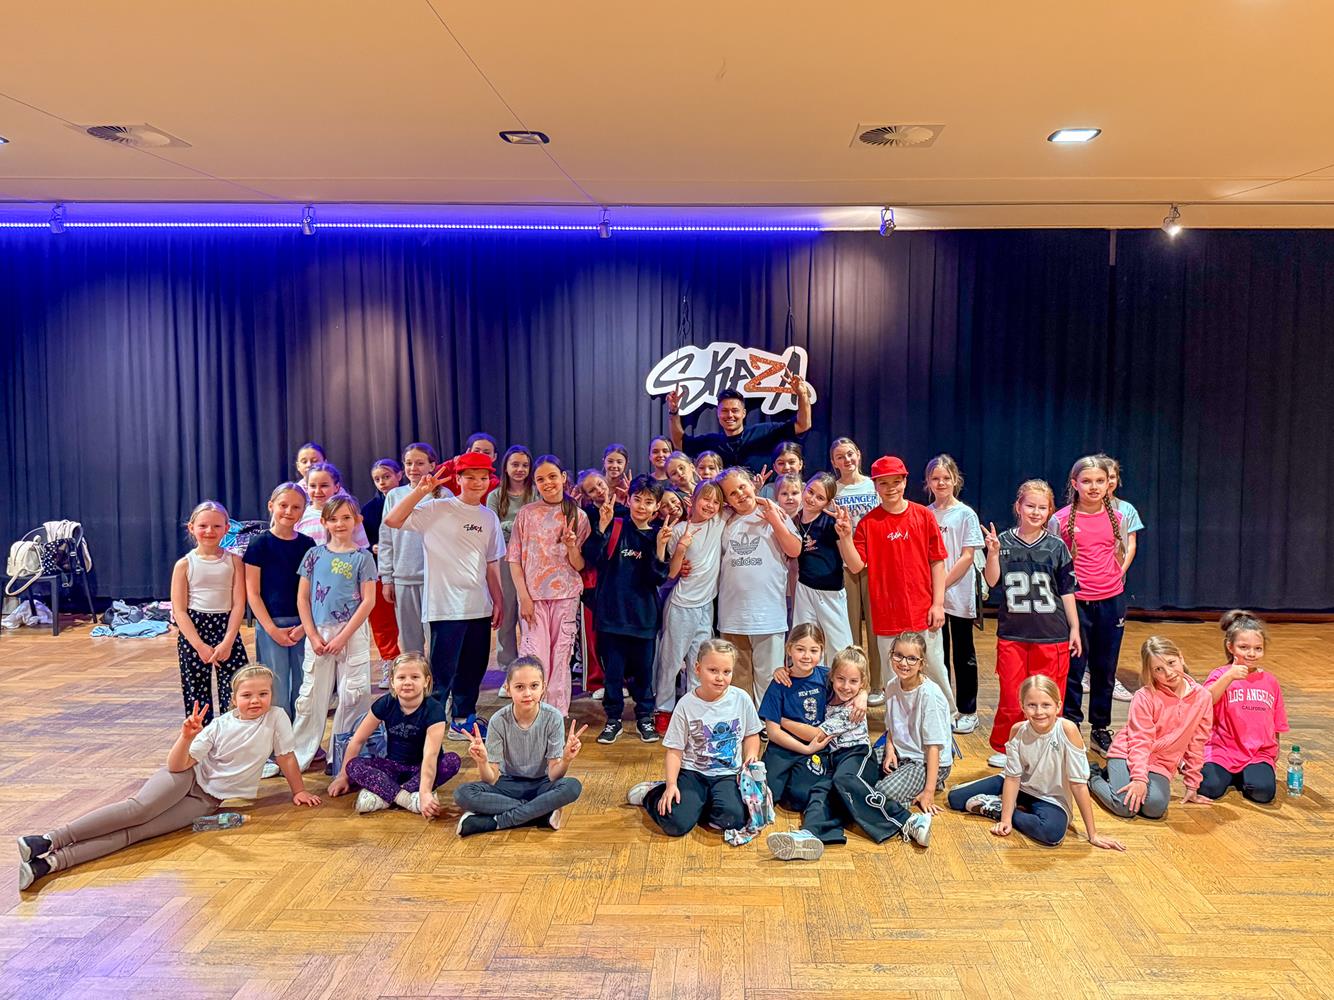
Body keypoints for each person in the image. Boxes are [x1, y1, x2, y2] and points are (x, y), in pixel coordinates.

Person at [17, 666, 319, 890]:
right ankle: (47, 840)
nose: (256, 701)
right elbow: (177, 766)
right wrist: (186, 737)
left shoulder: (276, 717)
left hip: (207, 801)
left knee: (137, 833)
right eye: (247, 695)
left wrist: (298, 791)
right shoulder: (219, 726)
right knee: (138, 810)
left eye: (263, 694)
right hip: (186, 777)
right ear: (234, 697)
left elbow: (286, 757)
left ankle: (49, 864)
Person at [383, 452, 505, 740]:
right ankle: (431, 727)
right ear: (458, 479)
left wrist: (498, 600)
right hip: (445, 607)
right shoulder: (437, 508)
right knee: (441, 673)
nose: (477, 483)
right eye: (470, 477)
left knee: (472, 670)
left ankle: (462, 720)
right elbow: (392, 519)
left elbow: (491, 563)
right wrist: (420, 491)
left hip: (479, 606)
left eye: (483, 477)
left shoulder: (488, 517)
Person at [767, 646, 930, 859]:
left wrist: (778, 718)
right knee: (820, 790)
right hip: (832, 759)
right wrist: (780, 670)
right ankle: (810, 834)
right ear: (832, 677)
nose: (845, 686)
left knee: (845, 779)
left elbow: (818, 734)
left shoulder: (854, 709)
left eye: (853, 682)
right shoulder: (827, 692)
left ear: (862, 683)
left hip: (857, 755)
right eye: (841, 679)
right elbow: (808, 672)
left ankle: (908, 820)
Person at [948, 676, 1125, 850]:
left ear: (1058, 706)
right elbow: (1012, 778)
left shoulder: (1067, 730)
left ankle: (997, 808)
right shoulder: (1018, 730)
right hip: (1017, 785)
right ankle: (1005, 807)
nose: (1039, 711)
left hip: (1050, 797)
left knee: (1052, 833)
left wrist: (1093, 834)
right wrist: (1006, 821)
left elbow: (1078, 784)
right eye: (1032, 705)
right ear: (1022, 706)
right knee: (955, 799)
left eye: (1046, 705)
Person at [981, 480, 1081, 768]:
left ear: (1050, 511)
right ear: (1018, 506)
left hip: (1051, 635)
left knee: (1047, 695)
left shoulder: (1056, 546)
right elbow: (991, 581)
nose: (1036, 512)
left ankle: (1047, 746)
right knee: (1011, 695)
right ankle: (1007, 746)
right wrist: (992, 553)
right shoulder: (1003, 541)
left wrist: (1074, 628)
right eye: (1030, 506)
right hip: (1012, 634)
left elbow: (1067, 591)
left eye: (1042, 507)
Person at [626, 639, 763, 838]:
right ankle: (653, 793)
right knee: (676, 824)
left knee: (733, 820)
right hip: (693, 773)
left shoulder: (741, 698)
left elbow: (751, 734)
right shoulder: (686, 705)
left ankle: (698, 805)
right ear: (698, 669)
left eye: (726, 672)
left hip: (727, 773)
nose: (720, 678)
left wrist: (751, 755)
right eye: (713, 670)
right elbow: (675, 750)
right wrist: (671, 785)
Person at [286, 495, 378, 774]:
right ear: (324, 522)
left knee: (353, 694)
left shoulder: (363, 558)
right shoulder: (313, 555)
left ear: (357, 521)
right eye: (334, 519)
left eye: (346, 518)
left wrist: (343, 638)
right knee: (311, 695)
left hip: (352, 633)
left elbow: (368, 601)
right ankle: (300, 755)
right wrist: (313, 636)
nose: (340, 524)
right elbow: (302, 598)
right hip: (319, 632)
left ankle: (342, 756)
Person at [852, 456, 952, 711]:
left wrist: (938, 604)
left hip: (922, 610)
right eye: (884, 483)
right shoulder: (868, 524)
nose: (891, 488)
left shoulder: (923, 516)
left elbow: (937, 561)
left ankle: (946, 716)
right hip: (887, 614)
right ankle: (898, 722)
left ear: (905, 481)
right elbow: (855, 565)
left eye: (896, 482)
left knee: (934, 667)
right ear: (875, 486)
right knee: (893, 674)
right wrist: (843, 537)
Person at [583, 476, 672, 744]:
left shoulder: (658, 534)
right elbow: (591, 558)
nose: (642, 506)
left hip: (644, 617)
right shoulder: (615, 525)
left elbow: (658, 578)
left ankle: (645, 717)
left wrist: (660, 548)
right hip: (611, 616)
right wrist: (602, 525)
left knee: (644, 673)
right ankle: (613, 719)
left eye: (649, 502)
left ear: (657, 506)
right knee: (613, 674)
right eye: (637, 499)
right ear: (629, 499)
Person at [454, 657, 586, 835]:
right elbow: (490, 779)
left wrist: (566, 760)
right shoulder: (498, 720)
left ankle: (498, 821)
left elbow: (554, 775)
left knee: (572, 786)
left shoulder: (553, 717)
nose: (527, 693)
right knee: (462, 793)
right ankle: (541, 813)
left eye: (534, 686)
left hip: (542, 785)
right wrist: (482, 762)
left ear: (543, 688)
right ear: (508, 689)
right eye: (519, 687)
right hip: (507, 784)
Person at [1052, 456, 1130, 756]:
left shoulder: (1118, 518)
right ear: (1075, 484)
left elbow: (1120, 555)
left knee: (1105, 668)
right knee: (1074, 669)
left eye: (1100, 481)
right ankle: (1070, 726)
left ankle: (1100, 728)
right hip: (1076, 604)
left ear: (1109, 483)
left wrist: (1109, 582)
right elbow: (1055, 564)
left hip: (1111, 602)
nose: (1094, 487)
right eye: (1087, 481)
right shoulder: (1060, 520)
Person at [1088, 636, 1213, 819]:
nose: (1168, 673)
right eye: (1158, 669)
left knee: (1154, 808)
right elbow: (1140, 740)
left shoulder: (1203, 697)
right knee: (1126, 807)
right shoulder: (1144, 696)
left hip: (1161, 763)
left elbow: (1197, 743)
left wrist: (1192, 784)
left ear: (1180, 657)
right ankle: (1093, 776)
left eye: (1171, 663)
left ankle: (1114, 775)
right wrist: (1139, 779)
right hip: (1128, 753)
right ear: (1151, 673)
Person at [326, 653, 461, 816]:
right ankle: (407, 799)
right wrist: (342, 777)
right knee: (353, 765)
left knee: (452, 761)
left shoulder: (434, 710)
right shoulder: (385, 703)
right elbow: (357, 740)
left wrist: (425, 791)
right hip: (392, 767)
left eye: (415, 677)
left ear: (426, 681)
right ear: (392, 681)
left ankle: (384, 796)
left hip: (421, 769)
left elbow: (430, 755)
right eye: (401, 677)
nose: (407, 682)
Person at [508, 455, 590, 716]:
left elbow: (579, 565)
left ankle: (556, 715)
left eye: (552, 476)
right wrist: (524, 597)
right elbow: (514, 560)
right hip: (534, 598)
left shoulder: (578, 516)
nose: (548, 483)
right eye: (541, 479)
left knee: (560, 658)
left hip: (565, 597)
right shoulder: (526, 514)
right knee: (534, 657)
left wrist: (571, 546)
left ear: (563, 477)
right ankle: (531, 712)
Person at [716, 467, 803, 707]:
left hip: (767, 613)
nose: (740, 495)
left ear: (752, 485)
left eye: (742, 487)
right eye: (732, 493)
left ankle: (768, 721)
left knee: (770, 675)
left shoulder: (774, 513)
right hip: (732, 614)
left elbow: (794, 549)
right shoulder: (725, 520)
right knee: (738, 676)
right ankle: (746, 720)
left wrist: (774, 519)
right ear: (727, 500)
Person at [656, 479, 727, 729]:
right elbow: (672, 573)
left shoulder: (719, 522)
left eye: (716, 501)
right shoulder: (679, 530)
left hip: (706, 605)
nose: (710, 505)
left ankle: (695, 705)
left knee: (700, 660)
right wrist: (680, 550)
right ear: (693, 500)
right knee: (671, 659)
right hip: (681, 605)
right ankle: (663, 708)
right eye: (705, 499)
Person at [171, 501, 249, 725]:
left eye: (216, 526)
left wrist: (228, 641)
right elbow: (179, 610)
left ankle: (231, 736)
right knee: (196, 693)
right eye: (203, 526)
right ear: (191, 528)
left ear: (227, 528)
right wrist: (199, 645)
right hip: (194, 631)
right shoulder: (184, 565)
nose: (209, 531)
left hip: (226, 628)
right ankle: (201, 739)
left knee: (234, 689)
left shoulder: (235, 561)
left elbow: (238, 604)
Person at [1199, 611, 1288, 803]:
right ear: (1230, 647)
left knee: (1263, 793)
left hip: (1257, 754)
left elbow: (1276, 721)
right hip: (1222, 750)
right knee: (1208, 788)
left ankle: (1243, 775)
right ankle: (1231, 775)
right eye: (1244, 647)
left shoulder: (1270, 681)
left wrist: (1275, 749)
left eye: (1258, 648)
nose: (1251, 653)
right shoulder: (1220, 675)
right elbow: (1204, 702)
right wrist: (1229, 677)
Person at [243, 483, 315, 720]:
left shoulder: (307, 545)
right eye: (283, 505)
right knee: (276, 684)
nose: (288, 511)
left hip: (302, 625)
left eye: (296, 507)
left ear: (303, 510)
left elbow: (312, 591)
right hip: (271, 624)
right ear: (271, 506)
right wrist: (271, 629)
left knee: (304, 684)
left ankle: (301, 735)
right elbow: (253, 593)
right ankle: (278, 735)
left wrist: (305, 626)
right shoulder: (259, 544)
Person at [924, 455, 984, 735]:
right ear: (928, 482)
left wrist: (941, 585)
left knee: (963, 653)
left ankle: (968, 711)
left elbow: (967, 556)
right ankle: (942, 707)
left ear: (955, 480)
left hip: (957, 594)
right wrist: (932, 590)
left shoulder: (965, 514)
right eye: (935, 478)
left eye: (946, 478)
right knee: (937, 654)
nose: (941, 483)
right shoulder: (925, 513)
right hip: (931, 596)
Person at [378, 443, 444, 661]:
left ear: (432, 465)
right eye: (408, 463)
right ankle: (414, 678)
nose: (413, 468)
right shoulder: (394, 495)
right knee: (409, 641)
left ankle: (437, 679)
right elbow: (386, 539)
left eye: (419, 463)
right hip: (404, 578)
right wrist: (387, 578)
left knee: (437, 638)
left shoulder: (443, 495)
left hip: (435, 579)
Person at [666, 378, 813, 476]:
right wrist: (673, 411)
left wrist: (802, 394)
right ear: (718, 414)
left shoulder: (764, 432)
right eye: (724, 411)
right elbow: (680, 443)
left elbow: (803, 425)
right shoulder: (711, 442)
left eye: (735, 410)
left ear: (743, 413)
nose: (730, 415)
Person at [877, 632, 953, 813]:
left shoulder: (929, 695)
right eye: (898, 655)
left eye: (912, 658)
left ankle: (927, 786)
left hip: (925, 761)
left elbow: (934, 747)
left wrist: (929, 792)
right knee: (859, 766)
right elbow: (891, 727)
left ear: (921, 663)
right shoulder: (892, 685)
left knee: (882, 792)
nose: (903, 663)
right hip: (901, 752)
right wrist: (890, 750)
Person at [829, 437, 882, 696]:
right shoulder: (833, 490)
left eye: (850, 454)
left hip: (874, 564)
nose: (846, 460)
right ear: (834, 462)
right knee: (849, 630)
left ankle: (876, 684)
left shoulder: (874, 487)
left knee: (875, 627)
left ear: (858, 455)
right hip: (845, 565)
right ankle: (854, 683)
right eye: (840, 457)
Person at [791, 472, 861, 654]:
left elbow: (854, 566)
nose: (812, 499)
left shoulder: (831, 523)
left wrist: (846, 536)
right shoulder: (795, 521)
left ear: (828, 502)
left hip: (831, 592)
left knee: (840, 648)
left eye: (820, 497)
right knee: (805, 643)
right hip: (805, 589)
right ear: (804, 488)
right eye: (810, 492)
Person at [1096, 453, 1145, 703]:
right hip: (1086, 584)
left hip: (1113, 582)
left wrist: (1118, 572)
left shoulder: (1126, 510)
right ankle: (1086, 674)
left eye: (1112, 477)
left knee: (1110, 635)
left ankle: (1108, 677)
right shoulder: (1078, 511)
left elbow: (1131, 545)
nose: (1108, 482)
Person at [488, 445, 535, 682]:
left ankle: (531, 663)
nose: (520, 469)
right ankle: (508, 668)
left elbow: (539, 526)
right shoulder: (495, 496)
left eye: (525, 465)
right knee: (506, 614)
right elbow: (492, 528)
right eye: (515, 464)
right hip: (504, 560)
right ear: (505, 467)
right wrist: (518, 525)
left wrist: (511, 527)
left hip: (532, 560)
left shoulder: (536, 493)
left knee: (529, 614)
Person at [364, 458, 404, 686]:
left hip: (411, 569)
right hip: (379, 571)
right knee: (382, 622)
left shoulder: (414, 501)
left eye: (387, 477)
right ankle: (390, 661)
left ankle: (418, 663)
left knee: (414, 623)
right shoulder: (369, 509)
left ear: (399, 475)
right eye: (377, 479)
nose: (382, 482)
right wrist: (373, 547)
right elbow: (361, 540)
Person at [295, 462, 371, 549]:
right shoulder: (300, 515)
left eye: (324, 485)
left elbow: (363, 549)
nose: (318, 491)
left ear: (336, 487)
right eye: (313, 486)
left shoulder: (350, 514)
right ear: (306, 488)